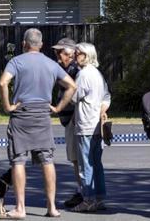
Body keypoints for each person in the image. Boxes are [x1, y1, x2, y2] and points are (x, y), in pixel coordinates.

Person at [0, 28, 77, 219]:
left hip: (22, 115)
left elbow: (2, 83)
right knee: (47, 161)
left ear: (24, 44)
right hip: (43, 115)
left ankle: (20, 208)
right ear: (40, 45)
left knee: (18, 161)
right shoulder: (50, 64)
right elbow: (72, 86)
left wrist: (8, 106)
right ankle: (51, 207)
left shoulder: (16, 61)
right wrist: (57, 108)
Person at [51, 42, 110, 212]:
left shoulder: (83, 74)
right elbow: (106, 95)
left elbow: (74, 97)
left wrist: (61, 99)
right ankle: (99, 197)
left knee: (86, 164)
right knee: (97, 163)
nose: (75, 56)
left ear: (87, 55)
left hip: (85, 123)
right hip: (96, 123)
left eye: (79, 54)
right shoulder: (97, 73)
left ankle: (88, 198)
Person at [50, 37, 83, 208]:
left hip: (74, 119)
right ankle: (82, 191)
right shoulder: (66, 69)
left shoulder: (75, 70)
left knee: (78, 159)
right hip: (69, 119)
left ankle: (83, 193)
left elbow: (74, 93)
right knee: (76, 158)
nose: (57, 57)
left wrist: (57, 108)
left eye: (60, 53)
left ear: (70, 54)